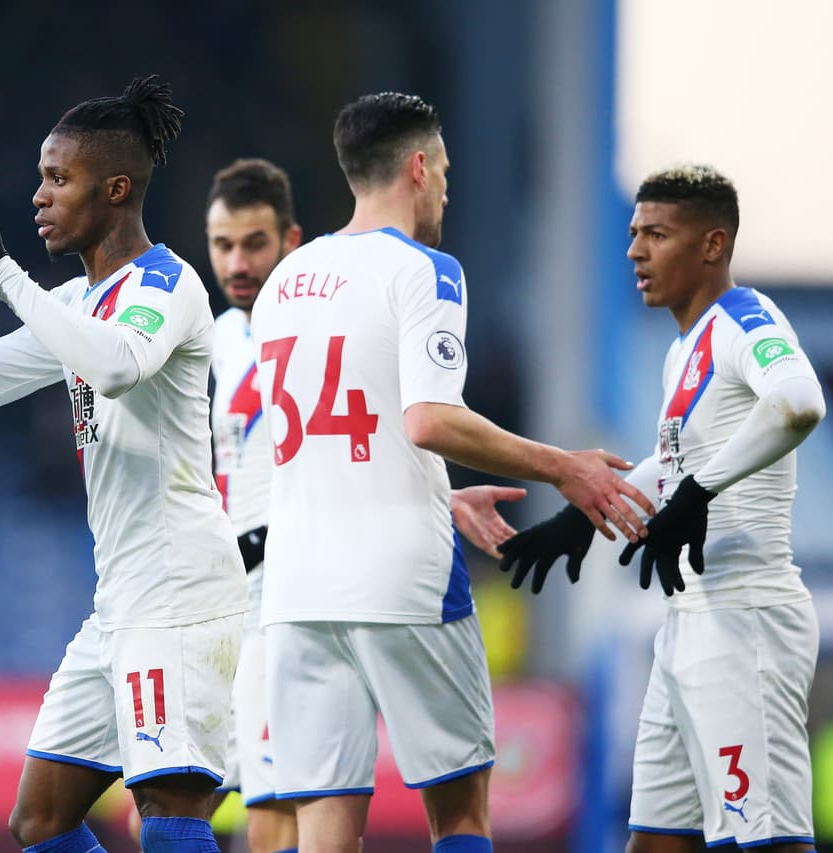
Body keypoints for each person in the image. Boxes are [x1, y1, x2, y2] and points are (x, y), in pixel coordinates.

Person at [247, 92, 656, 853]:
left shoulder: (283, 283)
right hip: (402, 576)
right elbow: (429, 419)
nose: (445, 189)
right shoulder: (426, 271)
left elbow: (320, 440)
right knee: (460, 816)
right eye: (444, 171)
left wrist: (437, 488)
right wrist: (561, 465)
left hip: (297, 585)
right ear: (416, 167)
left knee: (324, 830)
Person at [0, 76, 248, 853]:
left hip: (180, 593)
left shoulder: (167, 282)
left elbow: (119, 365)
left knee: (169, 808)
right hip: (119, 601)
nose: (39, 196)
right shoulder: (78, 305)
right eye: (40, 177)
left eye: (59, 178)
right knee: (42, 819)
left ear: (116, 188)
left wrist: (7, 278)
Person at [201, 157, 526, 853]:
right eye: (222, 244)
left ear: (288, 241)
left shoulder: (303, 312)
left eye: (252, 243)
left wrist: (431, 490)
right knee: (267, 817)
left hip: (291, 582)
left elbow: (381, 425)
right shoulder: (224, 340)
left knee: (281, 820)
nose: (236, 261)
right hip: (258, 593)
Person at [498, 165, 825, 852]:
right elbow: (675, 458)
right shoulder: (685, 347)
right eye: (633, 233)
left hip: (747, 620)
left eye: (657, 234)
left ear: (712, 245)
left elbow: (799, 403)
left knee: (767, 840)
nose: (635, 251)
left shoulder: (746, 319)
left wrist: (701, 492)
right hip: (687, 626)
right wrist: (586, 514)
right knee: (653, 840)